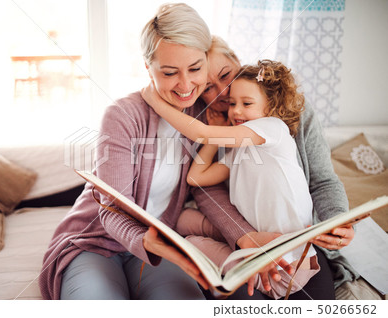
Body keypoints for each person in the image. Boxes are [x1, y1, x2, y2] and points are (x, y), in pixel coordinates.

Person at [38, 3, 287, 300]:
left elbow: (206, 192)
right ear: (148, 68)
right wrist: (147, 240)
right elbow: (111, 209)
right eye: (169, 73)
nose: (185, 85)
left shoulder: (203, 116)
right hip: (95, 242)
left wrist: (244, 237)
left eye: (195, 69)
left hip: (160, 248)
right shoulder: (122, 115)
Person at [144, 38, 357, 300]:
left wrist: (154, 100)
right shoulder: (238, 149)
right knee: (183, 225)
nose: (227, 99)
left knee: (191, 246)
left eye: (226, 76)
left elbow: (324, 181)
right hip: (249, 240)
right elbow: (196, 178)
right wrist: (219, 132)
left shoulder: (274, 126)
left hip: (289, 259)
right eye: (210, 87)